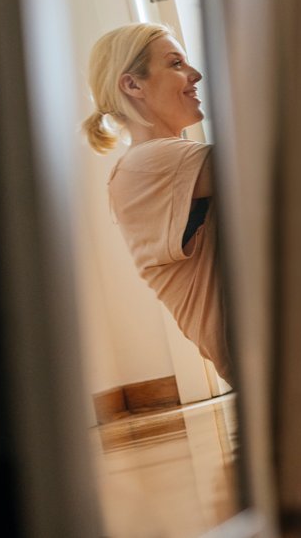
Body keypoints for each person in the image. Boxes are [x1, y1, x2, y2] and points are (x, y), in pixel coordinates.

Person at [83, 23, 232, 382]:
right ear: (133, 85)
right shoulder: (148, 162)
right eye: (176, 63)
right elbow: (266, 165)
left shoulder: (154, 161)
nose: (194, 74)